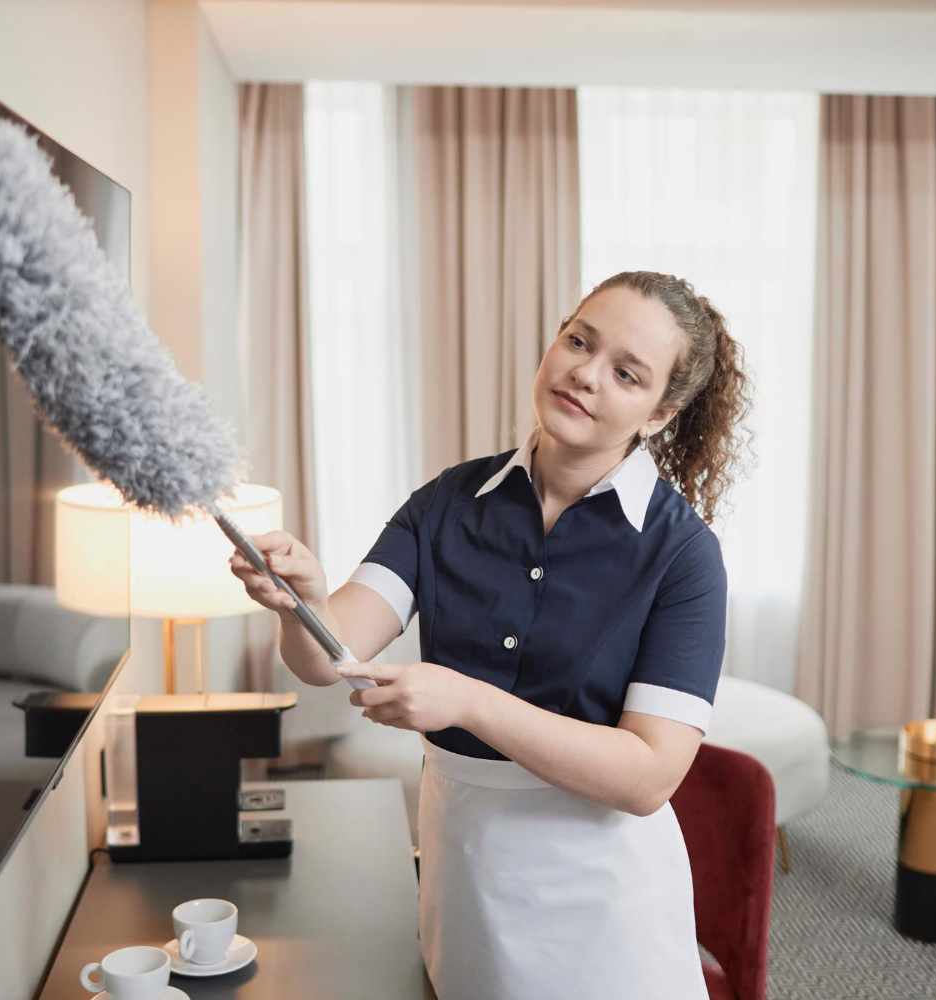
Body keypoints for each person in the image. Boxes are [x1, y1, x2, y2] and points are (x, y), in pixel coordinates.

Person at [229, 270, 751, 999]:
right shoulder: (447, 502)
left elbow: (648, 777)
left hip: (602, 897)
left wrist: (469, 702)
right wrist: (300, 601)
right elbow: (329, 656)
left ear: (658, 415)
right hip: (465, 868)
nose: (584, 373)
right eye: (578, 340)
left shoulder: (682, 554)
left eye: (625, 373)